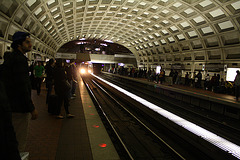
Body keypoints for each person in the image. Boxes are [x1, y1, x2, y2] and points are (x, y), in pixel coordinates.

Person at [2, 31, 38, 152]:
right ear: (19, 44)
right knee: (19, 140)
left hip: (9, 105)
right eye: (27, 42)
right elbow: (22, 86)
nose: (30, 45)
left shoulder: (9, 60)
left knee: (10, 138)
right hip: (19, 108)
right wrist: (31, 108)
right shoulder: (20, 60)